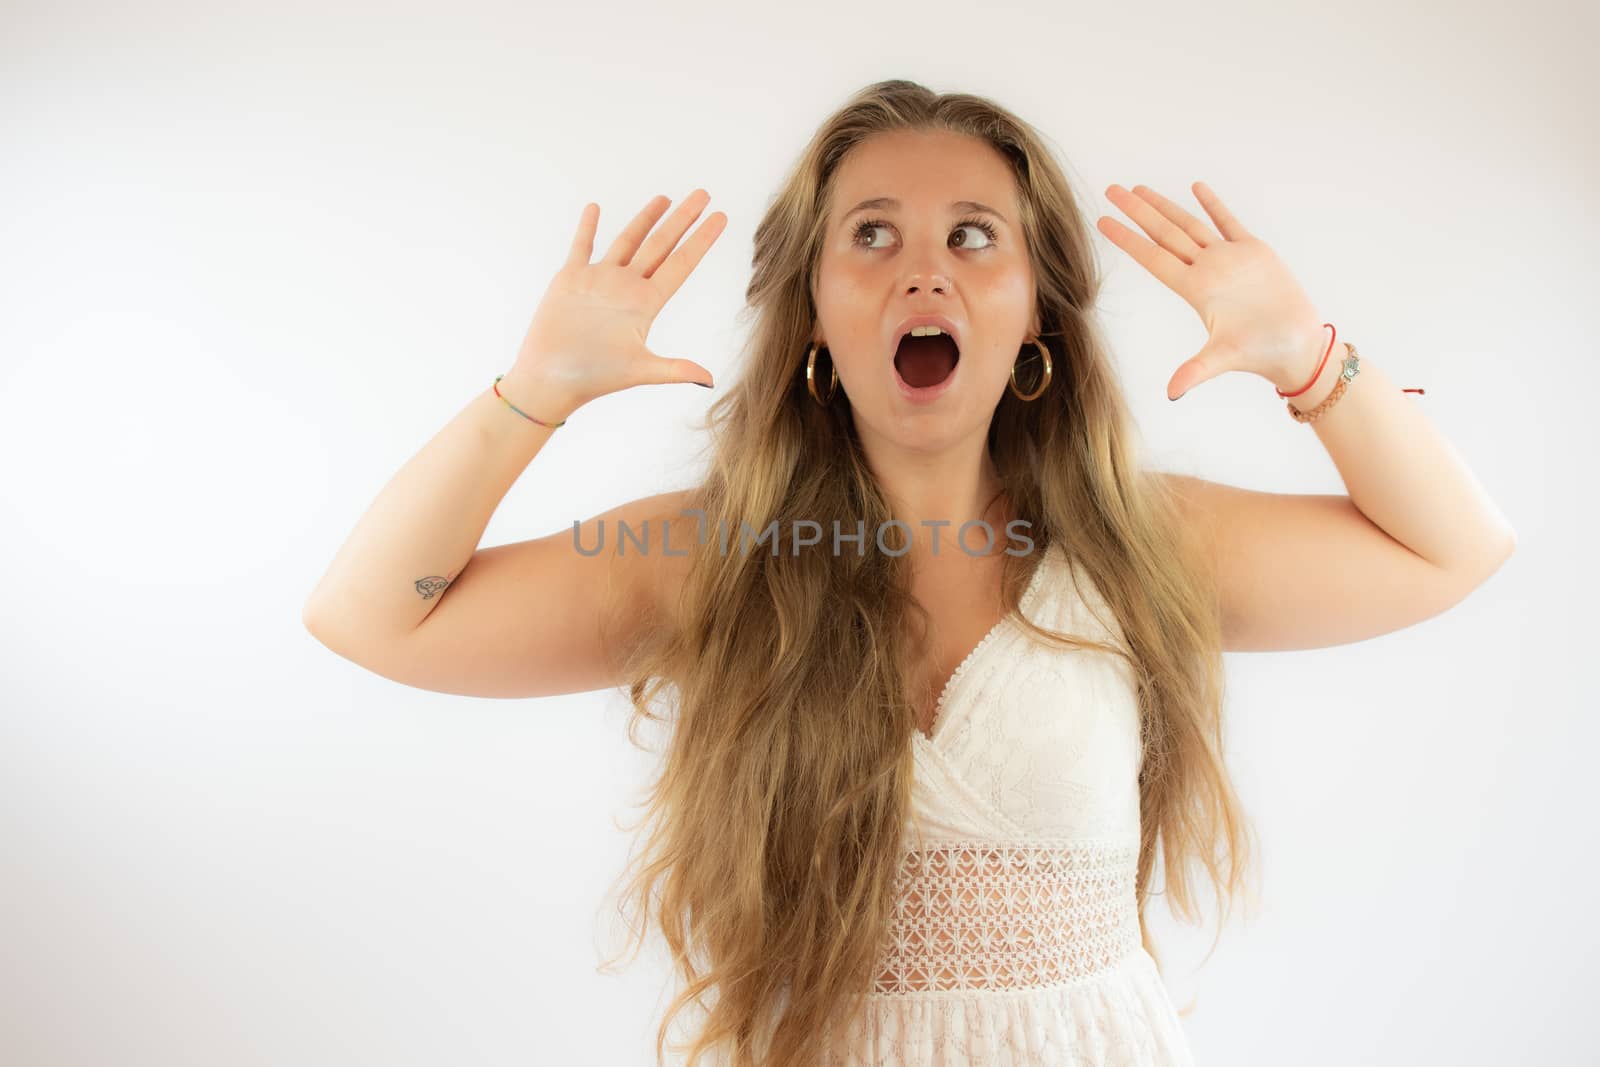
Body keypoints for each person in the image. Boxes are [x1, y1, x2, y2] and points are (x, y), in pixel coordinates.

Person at [303, 79, 1516, 1067]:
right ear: (816, 312)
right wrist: (536, 395)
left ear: (1035, 310)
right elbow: (371, 617)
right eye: (870, 234)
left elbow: (1453, 547)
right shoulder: (707, 557)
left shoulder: (1148, 544)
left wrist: (1308, 356)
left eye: (971, 238)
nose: (920, 272)